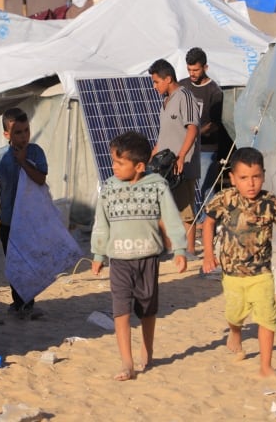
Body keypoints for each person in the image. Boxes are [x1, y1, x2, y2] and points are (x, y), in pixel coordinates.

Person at [91, 131, 188, 381]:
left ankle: (148, 349)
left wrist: (179, 249)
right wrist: (99, 253)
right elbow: (101, 223)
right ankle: (127, 362)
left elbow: (171, 217)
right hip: (119, 260)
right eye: (113, 161)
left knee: (147, 308)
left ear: (139, 166)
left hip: (148, 257)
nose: (114, 167)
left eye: (120, 163)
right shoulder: (109, 189)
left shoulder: (157, 185)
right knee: (120, 309)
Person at [201, 147, 276, 377]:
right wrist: (209, 254)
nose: (251, 184)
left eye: (256, 177)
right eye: (244, 178)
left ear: (264, 175)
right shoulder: (224, 199)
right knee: (235, 314)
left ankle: (266, 366)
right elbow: (207, 224)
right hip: (232, 274)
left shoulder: (270, 203)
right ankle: (235, 332)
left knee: (267, 317)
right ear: (233, 178)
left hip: (261, 274)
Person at [0, 108, 48, 317]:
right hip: (8, 220)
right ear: (7, 135)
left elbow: (41, 179)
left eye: (26, 131)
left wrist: (23, 162)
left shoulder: (36, 153)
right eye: (18, 132)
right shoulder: (0, 156)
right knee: (13, 263)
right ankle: (18, 301)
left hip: (30, 221)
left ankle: (27, 301)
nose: (24, 136)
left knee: (28, 261)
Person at [148, 58, 200, 257]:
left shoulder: (184, 96)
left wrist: (181, 156)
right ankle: (169, 249)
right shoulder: (165, 101)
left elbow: (192, 129)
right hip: (164, 166)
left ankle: (190, 251)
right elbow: (164, 136)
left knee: (185, 209)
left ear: (168, 78)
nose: (154, 86)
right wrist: (151, 157)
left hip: (182, 164)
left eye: (156, 82)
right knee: (163, 207)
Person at [181, 47, 232, 205]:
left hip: (206, 149)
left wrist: (194, 133)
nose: (192, 74)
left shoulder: (214, 91)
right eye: (189, 70)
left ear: (205, 67)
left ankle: (206, 223)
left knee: (205, 187)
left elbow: (215, 124)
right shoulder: (182, 86)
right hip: (184, 148)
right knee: (186, 188)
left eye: (195, 70)